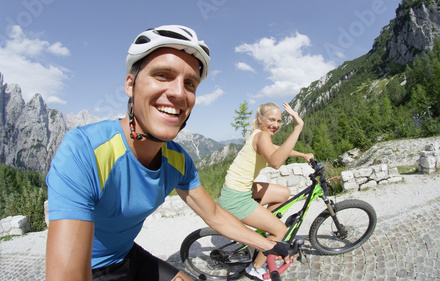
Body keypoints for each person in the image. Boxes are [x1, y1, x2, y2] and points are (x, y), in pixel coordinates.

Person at [45, 25, 290, 281]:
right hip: (91, 268)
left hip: (127, 255)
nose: (178, 93)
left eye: (190, 83)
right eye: (162, 75)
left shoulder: (178, 160)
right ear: (131, 85)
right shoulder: (84, 151)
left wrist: (269, 245)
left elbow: (215, 215)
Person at [219, 102, 314, 280]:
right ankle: (255, 267)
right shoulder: (262, 135)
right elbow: (276, 162)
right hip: (235, 197)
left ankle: (262, 232)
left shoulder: (261, 135)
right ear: (261, 119)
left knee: (283, 193)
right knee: (280, 230)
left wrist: (302, 155)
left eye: (279, 121)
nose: (276, 125)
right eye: (272, 119)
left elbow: (278, 150)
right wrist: (297, 128)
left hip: (240, 188)